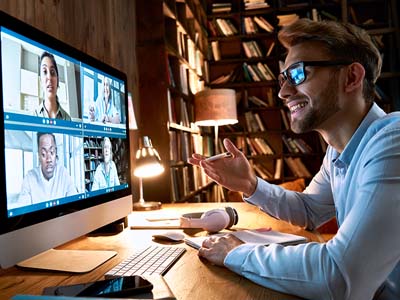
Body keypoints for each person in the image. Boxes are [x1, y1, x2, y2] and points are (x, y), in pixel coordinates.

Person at [189, 18, 400, 300]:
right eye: (283, 78)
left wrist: (236, 253)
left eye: (298, 74)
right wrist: (250, 185)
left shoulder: (392, 142)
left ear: (351, 78)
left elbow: (340, 276)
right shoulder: (338, 151)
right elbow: (310, 210)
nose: (283, 92)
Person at [18, 132, 77, 205]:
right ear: (39, 156)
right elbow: (23, 210)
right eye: (43, 154)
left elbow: (75, 204)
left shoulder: (63, 173)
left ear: (56, 153)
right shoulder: (29, 178)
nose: (49, 159)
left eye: (52, 152)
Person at [35, 51, 71, 120]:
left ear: (57, 79)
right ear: (40, 81)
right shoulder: (33, 116)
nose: (49, 77)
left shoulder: (67, 119)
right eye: (45, 72)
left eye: (52, 72)